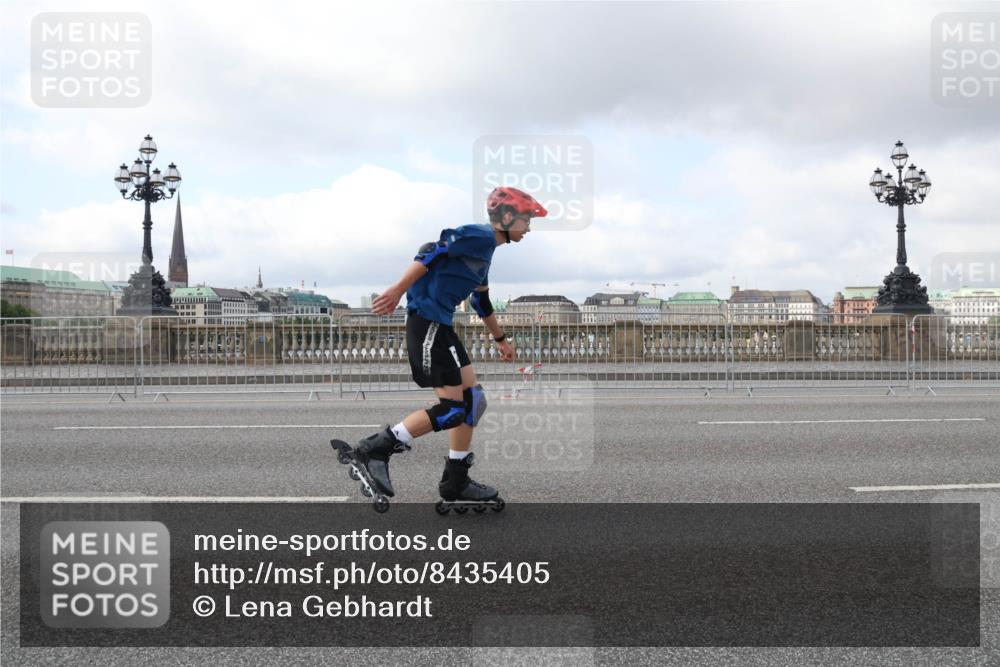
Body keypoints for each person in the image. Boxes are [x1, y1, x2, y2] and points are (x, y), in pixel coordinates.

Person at [351, 186, 547, 505]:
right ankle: (375, 448)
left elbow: (480, 300)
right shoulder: (480, 236)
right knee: (452, 410)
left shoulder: (485, 254)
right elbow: (433, 250)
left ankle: (456, 479)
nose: (529, 227)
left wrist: (500, 340)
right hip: (427, 323)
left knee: (474, 402)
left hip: (441, 325)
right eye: (526, 219)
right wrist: (399, 289)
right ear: (507, 216)